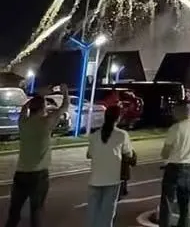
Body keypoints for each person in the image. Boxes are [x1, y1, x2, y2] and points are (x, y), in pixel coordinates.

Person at [4, 84, 70, 227]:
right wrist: (65, 92)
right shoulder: (46, 123)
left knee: (14, 213)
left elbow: (23, 108)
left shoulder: (23, 123)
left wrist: (38, 97)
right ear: (43, 108)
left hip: (21, 173)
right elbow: (64, 108)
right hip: (38, 175)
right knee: (36, 212)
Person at [86, 105, 135, 227]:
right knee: (107, 213)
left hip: (95, 179)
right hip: (112, 179)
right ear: (118, 118)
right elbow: (129, 153)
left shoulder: (95, 135)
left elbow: (89, 154)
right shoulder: (122, 135)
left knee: (93, 213)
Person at [159, 101, 190, 227]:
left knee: (167, 203)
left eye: (175, 110)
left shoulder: (176, 128)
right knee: (185, 205)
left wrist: (166, 155)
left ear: (181, 111)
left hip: (174, 167)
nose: (173, 113)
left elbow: (165, 153)